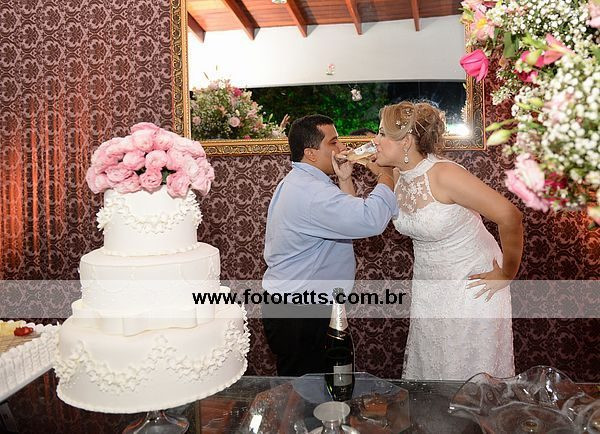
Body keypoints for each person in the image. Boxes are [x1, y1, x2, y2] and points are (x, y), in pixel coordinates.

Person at [372, 101, 523, 380]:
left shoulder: (444, 174)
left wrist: (507, 273)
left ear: (406, 142)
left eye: (382, 133)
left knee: (466, 368)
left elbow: (509, 216)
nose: (374, 140)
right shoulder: (397, 172)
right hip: (429, 285)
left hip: (473, 282)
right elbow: (374, 197)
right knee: (434, 361)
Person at [262, 114, 398, 376]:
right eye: (333, 142)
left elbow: (348, 223)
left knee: (318, 383)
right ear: (311, 153)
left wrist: (345, 179)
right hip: (300, 312)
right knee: (305, 388)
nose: (342, 148)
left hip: (295, 304)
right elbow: (369, 220)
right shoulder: (313, 194)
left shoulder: (303, 182)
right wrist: (386, 176)